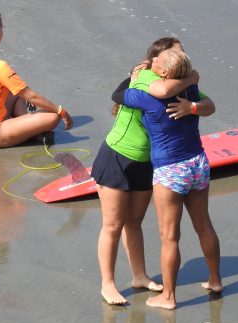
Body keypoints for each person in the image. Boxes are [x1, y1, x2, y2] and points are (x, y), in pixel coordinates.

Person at [92, 37, 199, 305]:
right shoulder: (145, 80)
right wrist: (191, 79)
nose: (182, 57)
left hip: (146, 162)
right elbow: (156, 92)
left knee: (134, 223)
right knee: (113, 225)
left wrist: (191, 87)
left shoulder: (177, 85)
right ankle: (108, 284)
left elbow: (202, 99)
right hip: (118, 156)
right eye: (175, 54)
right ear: (158, 62)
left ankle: (139, 275)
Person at [113, 48, 222, 310]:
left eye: (157, 62)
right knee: (204, 225)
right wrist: (191, 79)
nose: (152, 61)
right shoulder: (192, 92)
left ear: (163, 73)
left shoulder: (148, 98)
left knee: (169, 237)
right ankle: (215, 280)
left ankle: (168, 297)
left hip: (170, 169)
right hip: (198, 163)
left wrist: (134, 75)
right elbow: (207, 102)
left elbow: (117, 95)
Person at [0, 9, 73, 148]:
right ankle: (29, 132)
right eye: (1, 27)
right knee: (53, 117)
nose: (2, 30)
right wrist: (61, 111)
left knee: (17, 94)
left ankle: (24, 127)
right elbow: (31, 96)